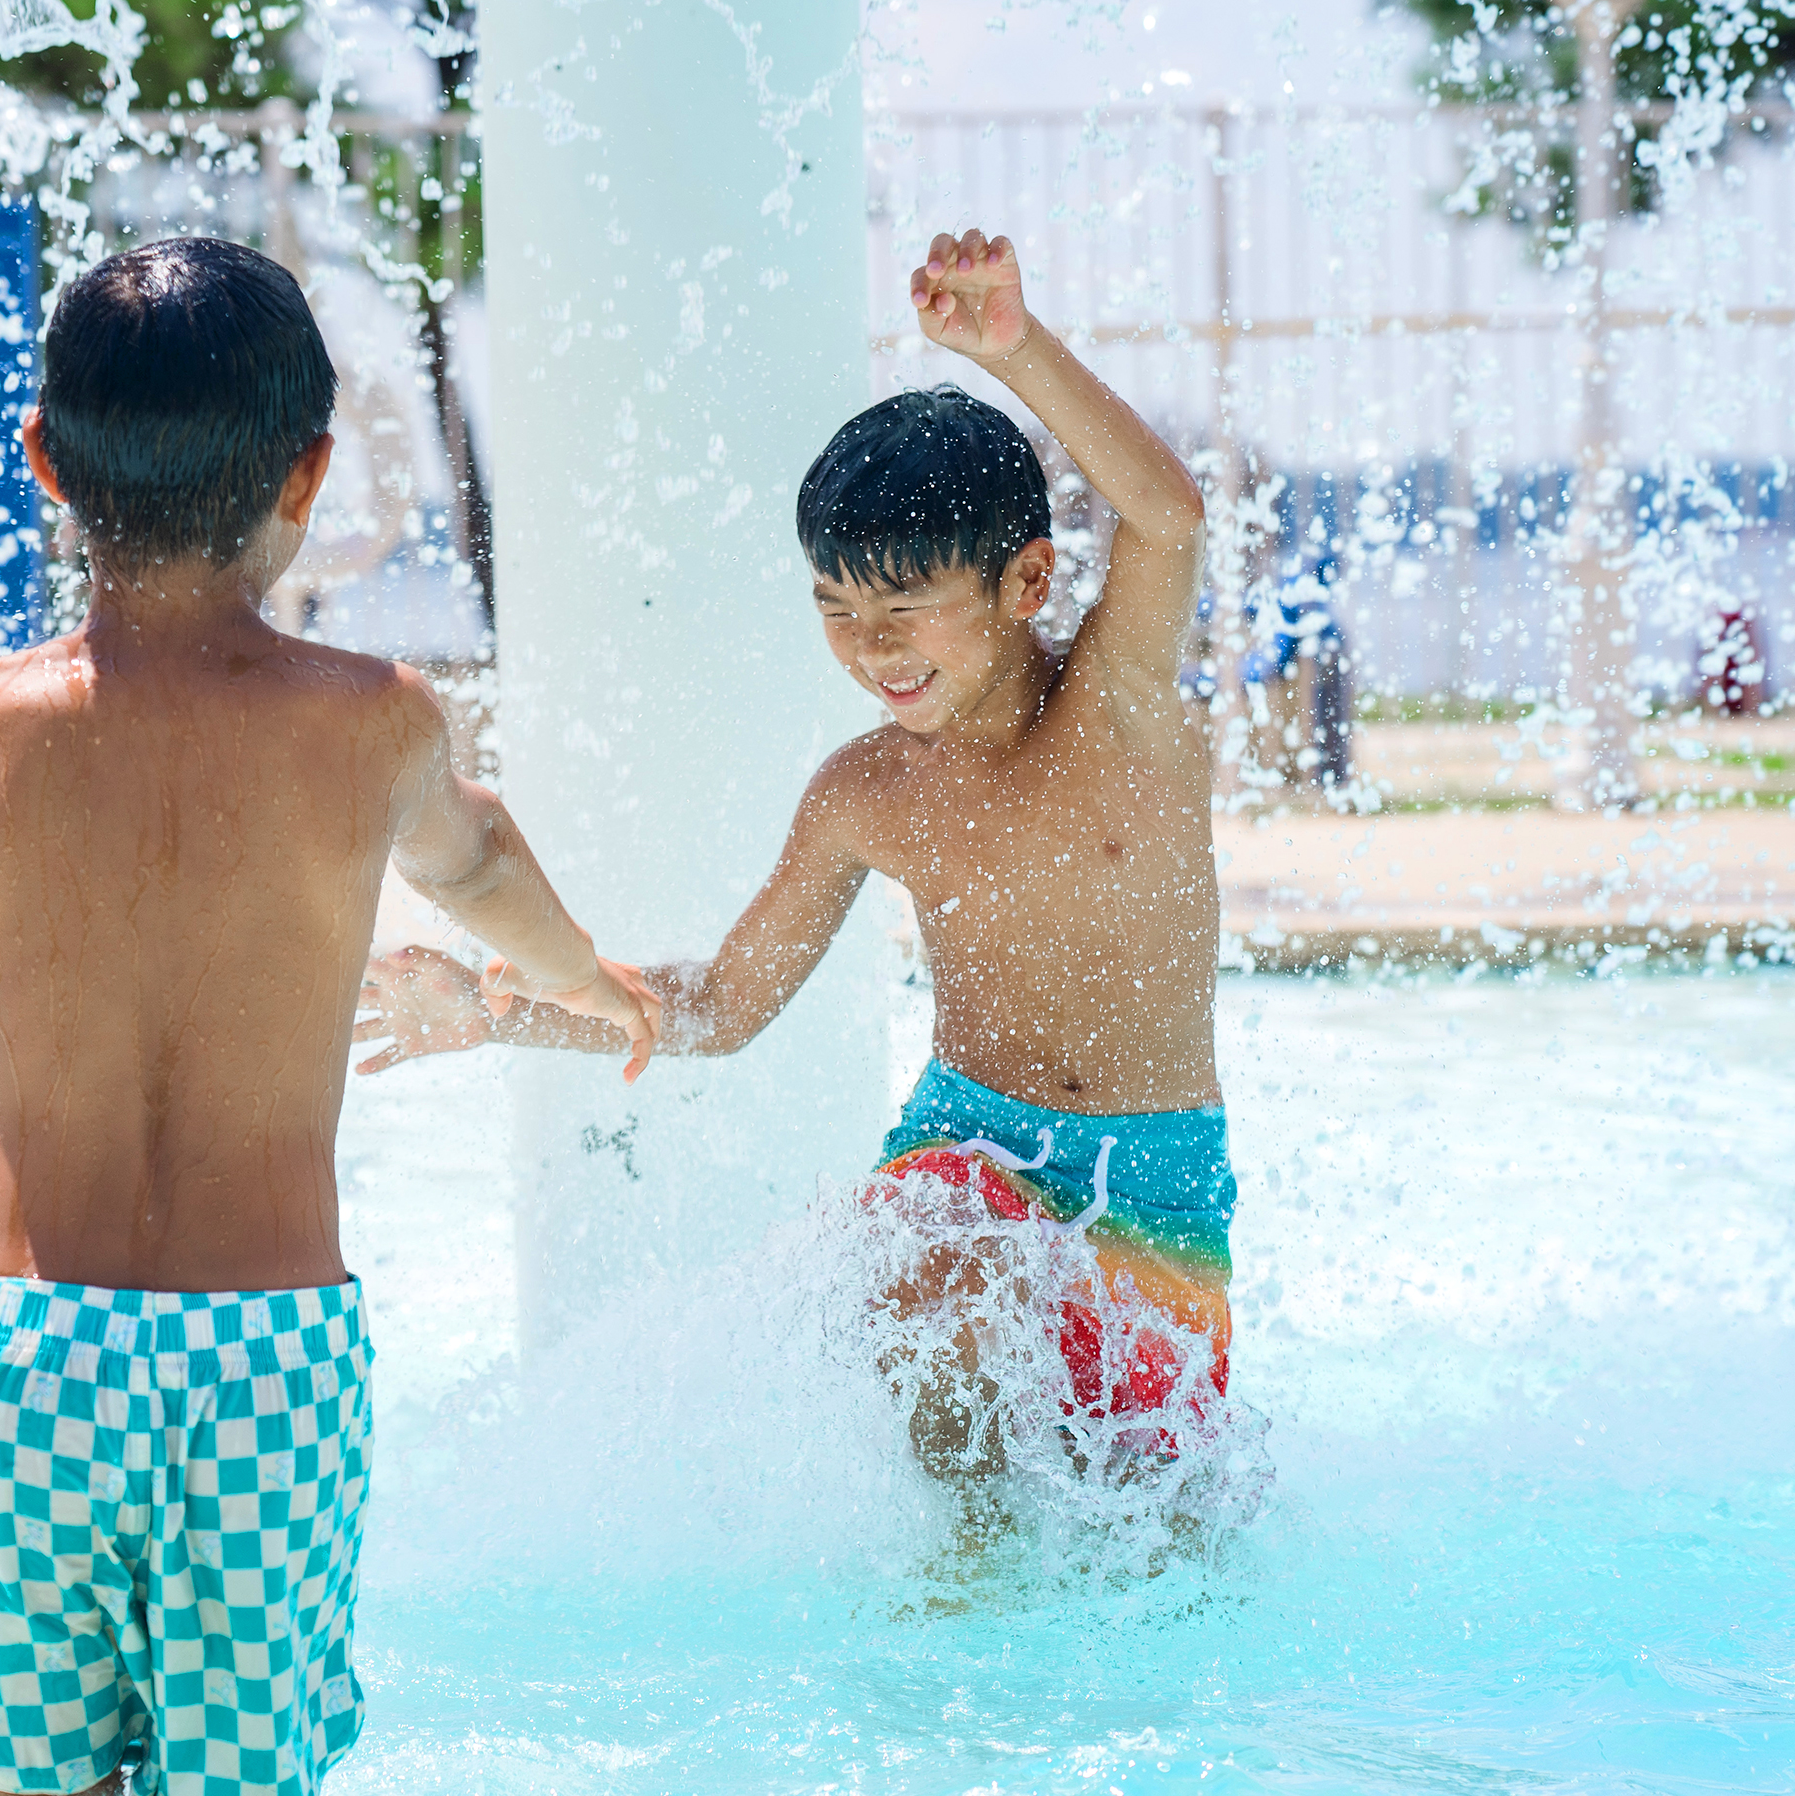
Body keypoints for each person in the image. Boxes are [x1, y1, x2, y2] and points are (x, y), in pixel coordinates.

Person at [0, 236, 661, 1796]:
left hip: (37, 1356)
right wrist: (596, 984)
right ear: (309, 471)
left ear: (44, 465)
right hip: (267, 1370)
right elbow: (488, 871)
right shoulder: (373, 724)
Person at [357, 229, 1231, 1475]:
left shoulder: (1119, 708)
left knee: (1162, 1545)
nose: (871, 648)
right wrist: (497, 1009)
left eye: (902, 606)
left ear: (1026, 581)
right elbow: (723, 1005)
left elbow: (1168, 512)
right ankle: (946, 1623)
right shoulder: (865, 794)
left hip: (1159, 1185)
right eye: (837, 610)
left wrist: (1015, 351)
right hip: (963, 1157)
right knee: (941, 1299)